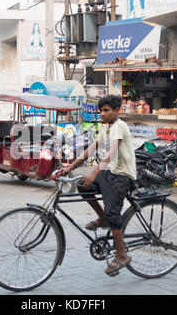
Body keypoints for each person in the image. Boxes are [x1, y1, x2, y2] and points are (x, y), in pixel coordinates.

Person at [61, 95, 137, 277]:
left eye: (106, 110)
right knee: (83, 184)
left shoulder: (119, 127)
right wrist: (69, 168)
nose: (102, 114)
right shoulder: (106, 128)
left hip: (122, 176)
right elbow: (90, 150)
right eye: (101, 110)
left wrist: (94, 172)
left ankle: (121, 254)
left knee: (113, 213)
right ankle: (102, 218)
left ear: (117, 111)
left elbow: (111, 153)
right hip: (110, 172)